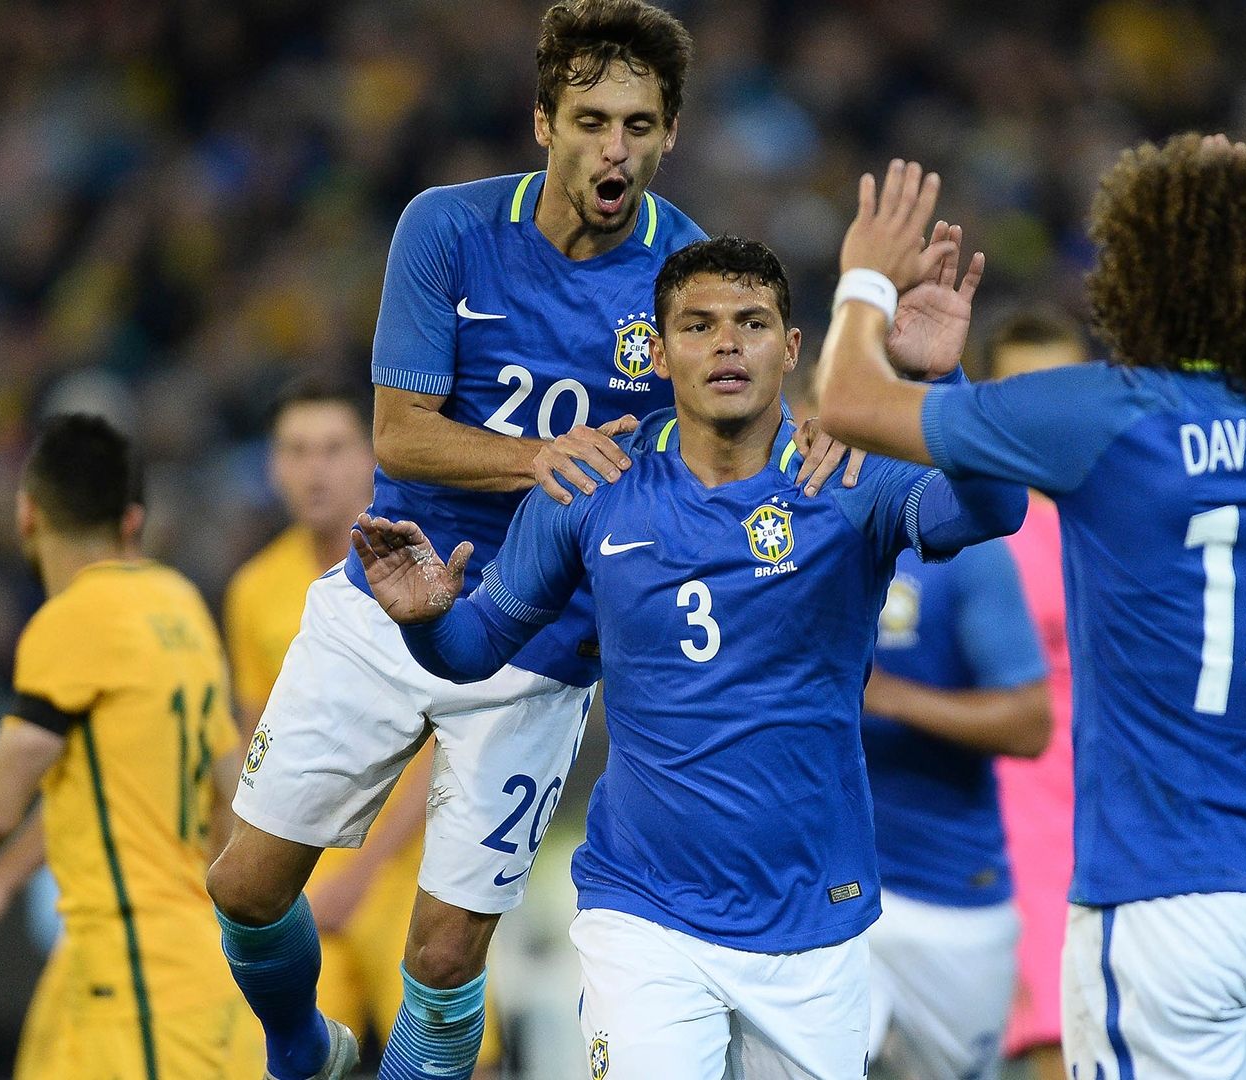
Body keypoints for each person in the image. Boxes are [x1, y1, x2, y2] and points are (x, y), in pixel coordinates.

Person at [203, 5, 851, 1078]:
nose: (615, 148)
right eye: (591, 119)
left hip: (545, 642)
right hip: (392, 591)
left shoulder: (683, 269)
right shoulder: (447, 231)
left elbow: (742, 410)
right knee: (243, 887)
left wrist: (822, 436)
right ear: (541, 118)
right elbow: (400, 433)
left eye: (640, 125)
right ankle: (301, 1049)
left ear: (670, 133)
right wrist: (538, 461)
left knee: (447, 953)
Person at [817, 142, 1246, 1077]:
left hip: (1161, 904)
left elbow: (846, 400)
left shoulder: (1104, 419)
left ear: (1129, 272)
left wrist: (864, 286)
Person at [351, 233, 1024, 1078]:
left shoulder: (847, 480)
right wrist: (423, 618)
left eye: (751, 321)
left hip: (813, 919)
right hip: (646, 914)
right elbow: (474, 648)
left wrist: (939, 381)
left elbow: (994, 507)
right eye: (699, 326)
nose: (728, 343)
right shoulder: (591, 484)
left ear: (791, 347)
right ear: (660, 351)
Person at [0, 414, 261, 1079]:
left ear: (27, 513)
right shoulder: (180, 606)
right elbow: (192, 789)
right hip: (153, 967)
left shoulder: (70, 622)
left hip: (141, 984)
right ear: (131, 519)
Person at [220, 380, 495, 1068]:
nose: (315, 469)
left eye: (334, 448)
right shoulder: (253, 589)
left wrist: (364, 873)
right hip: (305, 866)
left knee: (461, 1043)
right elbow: (257, 739)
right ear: (271, 467)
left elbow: (453, 738)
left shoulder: (422, 562)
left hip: (408, 862)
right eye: (296, 450)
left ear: (372, 456)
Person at [859, 532, 1050, 1080]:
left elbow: (1029, 720)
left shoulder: (962, 544)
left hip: (947, 891)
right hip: (826, 886)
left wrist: (878, 693)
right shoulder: (788, 526)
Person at [976, 309, 1089, 1080]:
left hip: (1124, 803)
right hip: (1022, 819)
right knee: (1059, 1041)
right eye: (1023, 388)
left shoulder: (1122, 509)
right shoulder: (977, 526)